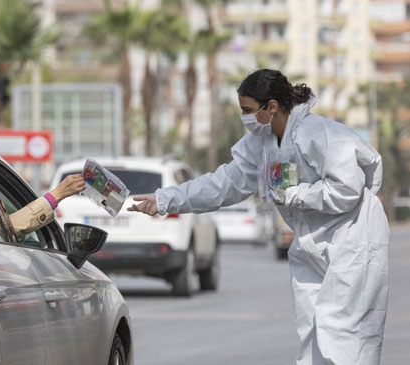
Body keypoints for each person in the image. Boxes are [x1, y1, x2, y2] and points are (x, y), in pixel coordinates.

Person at [128, 69, 389, 365]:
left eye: (248, 110)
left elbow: (347, 190)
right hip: (312, 245)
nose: (245, 118)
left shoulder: (318, 134)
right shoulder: (261, 145)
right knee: (313, 330)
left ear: (272, 107)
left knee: (344, 335)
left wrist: (294, 194)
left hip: (353, 241)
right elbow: (222, 184)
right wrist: (164, 200)